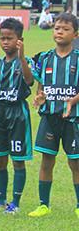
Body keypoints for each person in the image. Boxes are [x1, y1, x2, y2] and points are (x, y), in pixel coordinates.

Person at [0, 18, 34, 214]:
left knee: (18, 159)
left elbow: (29, 81)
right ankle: (1, 201)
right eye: (2, 38)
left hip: (17, 112)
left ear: (19, 40)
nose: (5, 42)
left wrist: (23, 57)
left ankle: (16, 203)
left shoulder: (25, 62)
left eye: (9, 38)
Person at [28, 13, 79, 217]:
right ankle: (43, 204)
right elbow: (42, 88)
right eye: (57, 28)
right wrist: (41, 97)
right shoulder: (45, 58)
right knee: (47, 161)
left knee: (75, 162)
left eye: (65, 29)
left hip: (72, 119)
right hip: (49, 118)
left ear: (75, 34)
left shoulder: (78, 59)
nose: (59, 32)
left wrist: (74, 100)